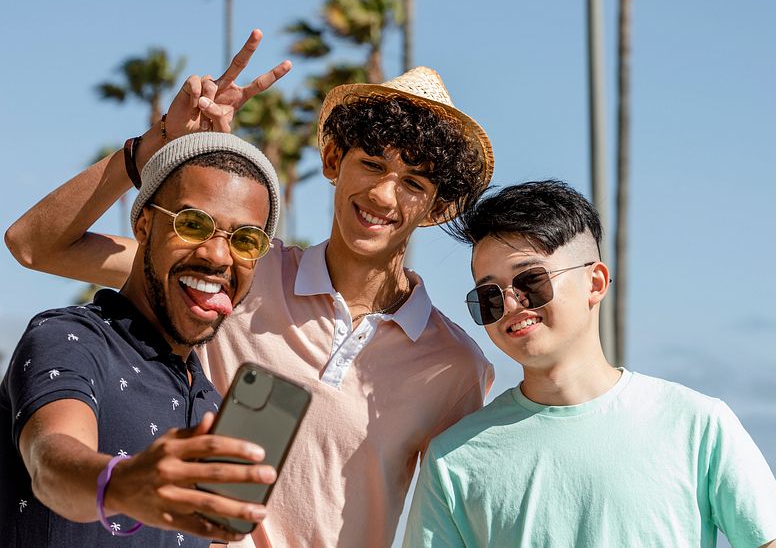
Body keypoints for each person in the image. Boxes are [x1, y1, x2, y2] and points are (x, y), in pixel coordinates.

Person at [5, 31, 494, 547]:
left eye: (414, 183)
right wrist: (161, 142)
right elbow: (36, 246)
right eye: (371, 163)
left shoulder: (457, 368)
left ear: (440, 208)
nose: (382, 193)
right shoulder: (238, 268)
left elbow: (454, 522)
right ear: (332, 161)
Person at [402, 180, 776, 548]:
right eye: (488, 296)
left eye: (530, 282)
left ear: (594, 283)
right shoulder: (453, 457)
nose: (509, 304)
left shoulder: (698, 426)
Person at [1, 132, 286, 546]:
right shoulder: (71, 338)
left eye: (245, 240)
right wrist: (120, 484)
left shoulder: (212, 404)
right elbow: (51, 462)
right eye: (193, 224)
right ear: (144, 224)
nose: (218, 256)